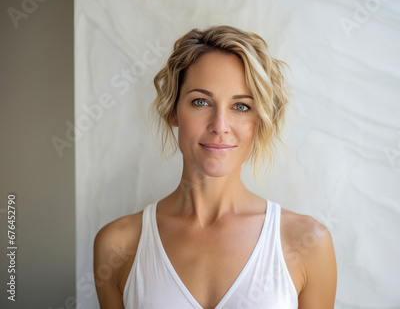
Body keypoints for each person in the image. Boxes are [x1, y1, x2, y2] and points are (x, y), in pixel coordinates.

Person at [93, 25, 337, 308]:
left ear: (260, 119)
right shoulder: (119, 245)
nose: (220, 126)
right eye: (201, 102)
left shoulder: (307, 242)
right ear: (173, 111)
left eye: (241, 106)